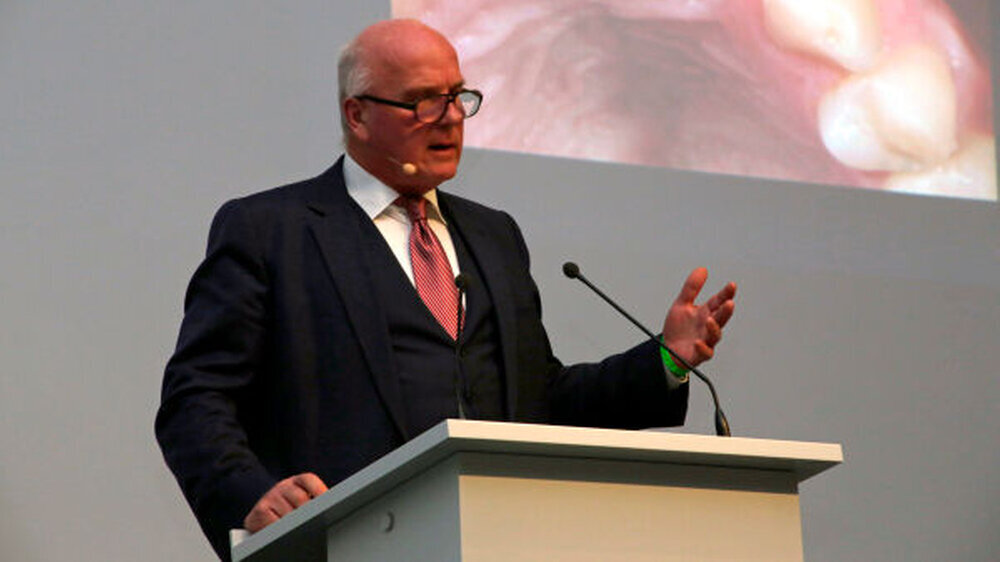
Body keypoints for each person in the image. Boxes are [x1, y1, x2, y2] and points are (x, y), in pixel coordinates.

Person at [155, 19, 736, 560]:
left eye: (458, 96)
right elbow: (196, 398)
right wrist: (248, 495)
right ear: (358, 115)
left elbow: (540, 400)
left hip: (499, 540)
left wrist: (665, 360)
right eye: (424, 101)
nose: (452, 117)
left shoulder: (493, 235)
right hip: (344, 544)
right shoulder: (271, 231)